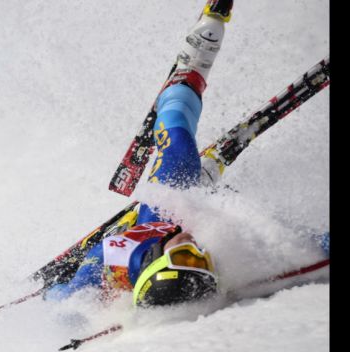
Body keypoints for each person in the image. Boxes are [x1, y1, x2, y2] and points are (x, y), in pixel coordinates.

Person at [44, 0, 234, 307]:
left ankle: (192, 68)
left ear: (155, 260)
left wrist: (51, 296)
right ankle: (207, 174)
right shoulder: (218, 244)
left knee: (180, 154)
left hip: (161, 211)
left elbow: (68, 302)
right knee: (223, 199)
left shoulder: (115, 260)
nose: (195, 249)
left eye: (183, 255)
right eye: (202, 260)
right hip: (193, 212)